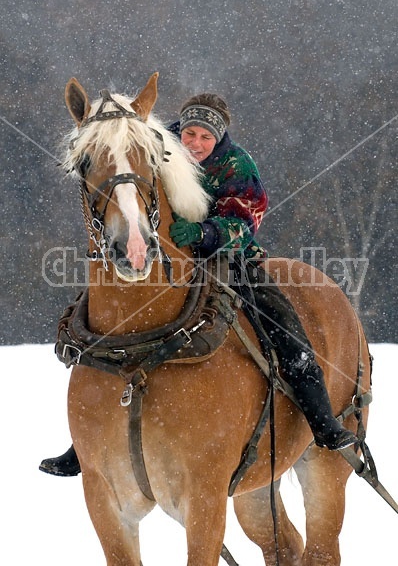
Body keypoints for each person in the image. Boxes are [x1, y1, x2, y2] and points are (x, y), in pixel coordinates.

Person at [39, 93, 356, 477]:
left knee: (282, 322)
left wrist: (205, 232)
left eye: (205, 137)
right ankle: (85, 442)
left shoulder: (237, 164)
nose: (195, 143)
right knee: (107, 317)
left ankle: (320, 417)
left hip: (227, 256)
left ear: (218, 138)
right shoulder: (162, 144)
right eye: (189, 132)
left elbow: (246, 219)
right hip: (163, 254)